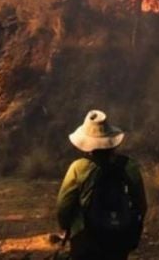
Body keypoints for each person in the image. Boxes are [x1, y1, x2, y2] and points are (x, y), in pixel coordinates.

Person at [57, 110, 147, 260]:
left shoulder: (78, 168)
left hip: (85, 237)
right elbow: (141, 205)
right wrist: (128, 226)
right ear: (111, 141)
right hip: (119, 236)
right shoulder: (129, 166)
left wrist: (67, 227)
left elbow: (64, 206)